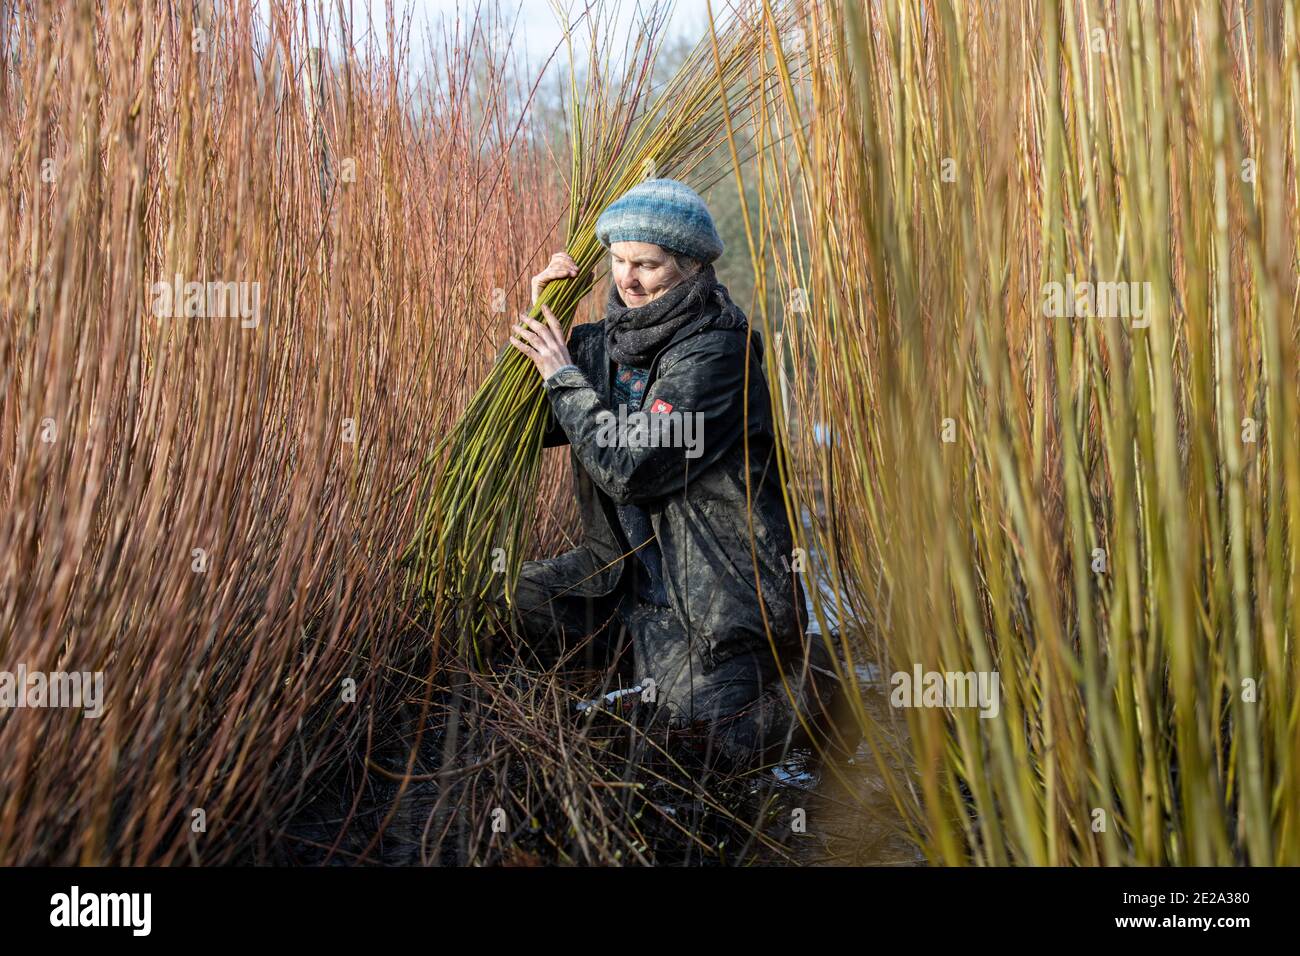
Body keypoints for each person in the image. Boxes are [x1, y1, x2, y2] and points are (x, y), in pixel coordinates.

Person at [498, 177, 855, 769]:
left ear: (689, 268)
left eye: (648, 265)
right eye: (617, 261)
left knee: (702, 755)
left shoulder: (718, 355)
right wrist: (539, 318)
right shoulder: (595, 347)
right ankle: (619, 685)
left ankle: (820, 678)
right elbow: (521, 427)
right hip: (618, 587)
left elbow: (633, 466)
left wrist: (563, 377)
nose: (628, 280)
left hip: (715, 605)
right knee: (500, 603)